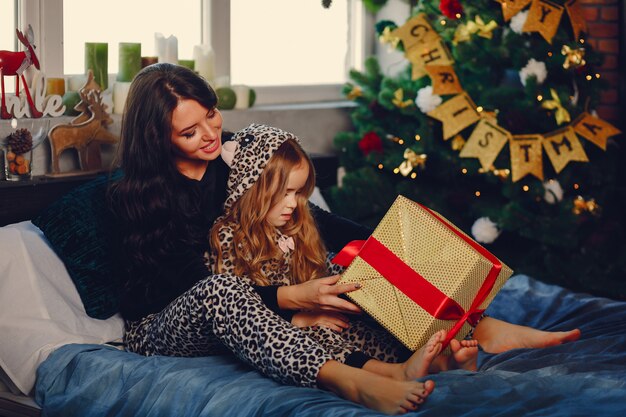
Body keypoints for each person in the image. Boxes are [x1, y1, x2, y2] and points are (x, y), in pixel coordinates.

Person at [107, 63, 580, 415]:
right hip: (171, 323)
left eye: (212, 116)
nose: (211, 134)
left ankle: (469, 328)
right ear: (158, 138)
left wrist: (381, 251)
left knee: (347, 270)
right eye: (190, 132)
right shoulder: (139, 198)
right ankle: (347, 382)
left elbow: (308, 220)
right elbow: (192, 282)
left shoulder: (232, 157)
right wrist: (293, 300)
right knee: (223, 292)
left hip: (258, 300)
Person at [209, 124, 479, 375]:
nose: (294, 203)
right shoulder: (228, 235)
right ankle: (390, 373)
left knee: (358, 327)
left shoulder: (294, 224)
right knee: (321, 336)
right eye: (285, 192)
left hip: (315, 310)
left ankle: (439, 362)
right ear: (251, 188)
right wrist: (299, 318)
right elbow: (238, 309)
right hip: (280, 327)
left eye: (299, 193)